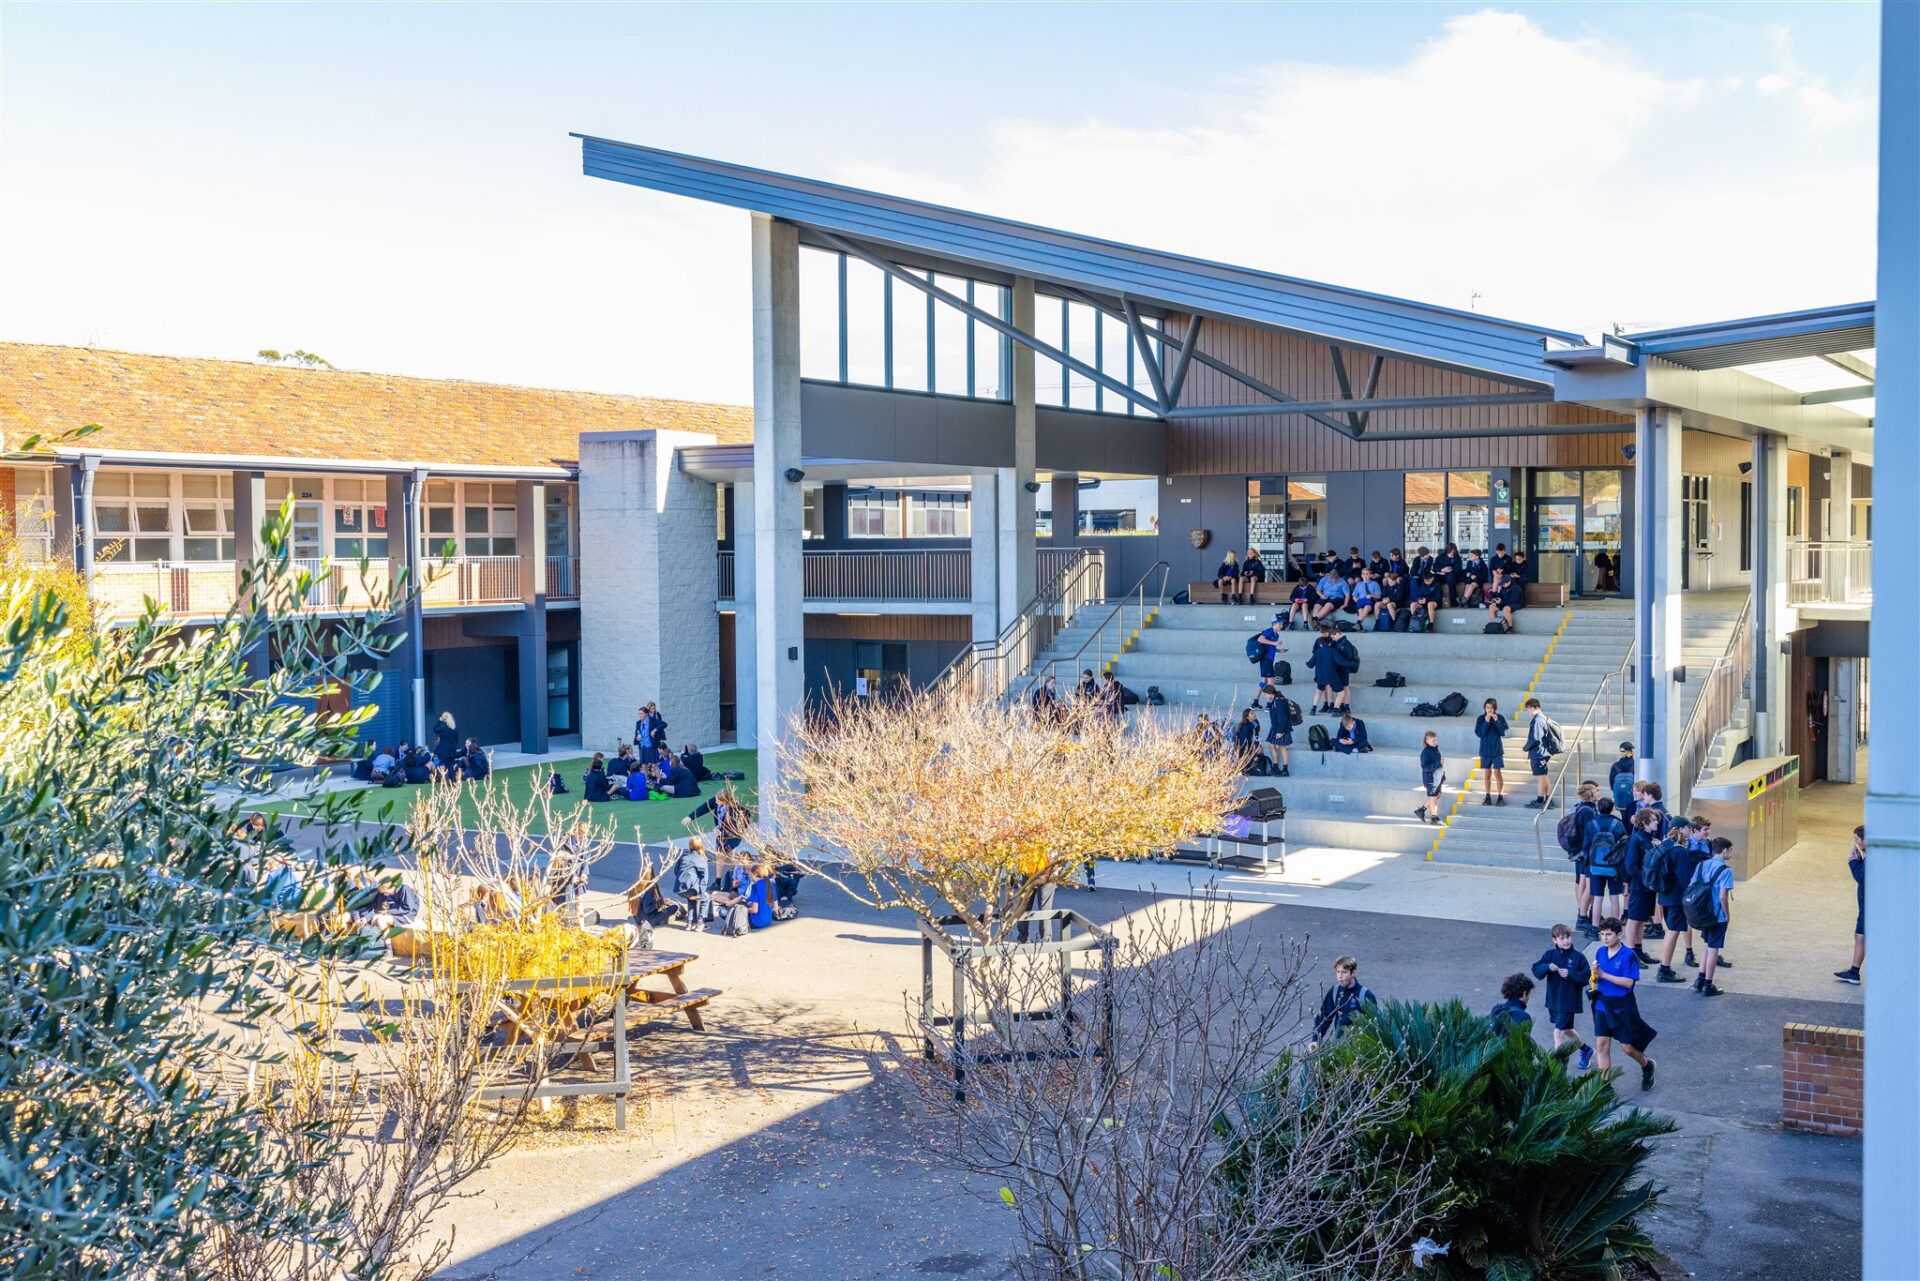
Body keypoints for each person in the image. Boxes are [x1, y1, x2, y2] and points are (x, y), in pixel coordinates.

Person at [1590, 917, 1657, 1090]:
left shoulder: (1628, 955)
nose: (1605, 938)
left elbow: (1629, 983)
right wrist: (1595, 975)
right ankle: (1605, 1087)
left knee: (1627, 1048)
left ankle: (1647, 1065)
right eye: (1602, 934)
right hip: (1602, 1004)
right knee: (1601, 1044)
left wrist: (1604, 975)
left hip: (1622, 1006)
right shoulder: (1600, 952)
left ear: (1619, 935)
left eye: (1609, 934)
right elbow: (1598, 978)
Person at [1532, 923, 1594, 1070]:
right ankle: (1586, 1050)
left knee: (1558, 1031)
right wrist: (1548, 967)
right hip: (1553, 1000)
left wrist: (1571, 974)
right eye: (1562, 938)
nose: (1566, 941)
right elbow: (1536, 969)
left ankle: (1557, 1063)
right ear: (1554, 940)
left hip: (1569, 1001)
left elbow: (1587, 977)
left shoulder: (1578, 957)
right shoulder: (1550, 955)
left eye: (1568, 937)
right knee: (1566, 1029)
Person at [1651, 821, 1699, 983]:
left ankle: (1665, 968)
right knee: (1672, 932)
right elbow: (1685, 879)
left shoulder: (1664, 845)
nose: (1690, 831)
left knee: (1670, 930)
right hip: (1676, 898)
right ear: (1681, 829)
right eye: (1688, 828)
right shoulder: (1680, 851)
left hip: (1664, 895)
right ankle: (1664, 969)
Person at [1688, 836, 1735, 996]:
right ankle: (1708, 984)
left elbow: (1691, 885)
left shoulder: (1702, 865)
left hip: (1703, 913)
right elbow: (1723, 896)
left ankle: (1699, 980)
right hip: (1717, 915)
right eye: (1730, 850)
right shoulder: (1726, 871)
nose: (1731, 853)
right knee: (1714, 949)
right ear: (1724, 850)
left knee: (1707, 946)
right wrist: (1727, 914)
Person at [1583, 797, 1629, 933]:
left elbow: (1586, 846)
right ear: (1612, 808)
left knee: (1598, 898)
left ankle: (1594, 928)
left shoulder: (1591, 824)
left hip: (1595, 866)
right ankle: (1615, 929)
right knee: (1614, 897)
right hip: (1614, 866)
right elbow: (1623, 846)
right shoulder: (1618, 824)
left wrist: (1588, 862)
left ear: (1598, 808)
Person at [1622, 808, 1663, 962]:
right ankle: (1631, 953)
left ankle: (1638, 950)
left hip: (1648, 886)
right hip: (1640, 886)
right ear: (1645, 822)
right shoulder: (1636, 839)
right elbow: (1630, 865)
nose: (1657, 822)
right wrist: (1645, 879)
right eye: (1654, 820)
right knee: (1634, 918)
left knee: (1641, 918)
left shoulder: (1650, 839)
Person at [1311, 956, 1377, 1046]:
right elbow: (1324, 1017)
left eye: (1344, 972)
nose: (1340, 976)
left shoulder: (1365, 995)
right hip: (1338, 1045)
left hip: (1358, 1046)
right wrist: (1315, 1040)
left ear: (1353, 973)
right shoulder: (1335, 991)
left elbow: (1373, 1026)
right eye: (1338, 972)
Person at [1836, 824, 1866, 983]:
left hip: (1870, 905)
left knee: (1861, 936)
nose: (1855, 842)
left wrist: (1853, 861)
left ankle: (1854, 972)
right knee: (1859, 935)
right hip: (1867, 904)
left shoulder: (1873, 857)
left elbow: (1862, 878)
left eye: (1857, 839)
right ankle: (1854, 971)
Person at [1522, 698, 1560, 808]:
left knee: (1541, 777)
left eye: (1529, 708)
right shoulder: (1542, 718)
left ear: (1535, 708)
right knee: (1543, 776)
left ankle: (1540, 800)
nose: (1528, 711)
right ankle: (1548, 799)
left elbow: (1535, 738)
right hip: (1542, 752)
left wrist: (1525, 748)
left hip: (1538, 753)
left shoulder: (1538, 720)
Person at [669, 836, 712, 930]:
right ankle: (700, 922)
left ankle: (690, 922)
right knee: (706, 897)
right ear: (701, 846)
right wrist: (701, 891)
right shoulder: (701, 859)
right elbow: (704, 878)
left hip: (679, 889)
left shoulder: (684, 857)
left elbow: (676, 870)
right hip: (691, 889)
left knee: (691, 898)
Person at [1475, 699, 1509, 805]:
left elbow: (1503, 732)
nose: (1489, 710)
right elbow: (1480, 734)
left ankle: (1500, 796)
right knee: (1487, 774)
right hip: (1485, 751)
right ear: (1484, 708)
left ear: (1495, 708)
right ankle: (1488, 796)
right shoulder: (1480, 719)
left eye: (1491, 707)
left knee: (1497, 772)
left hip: (1497, 750)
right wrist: (1486, 721)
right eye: (1487, 707)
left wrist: (1496, 721)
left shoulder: (1500, 717)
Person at [1259, 680, 1292, 777]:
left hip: (1281, 728)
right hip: (1276, 727)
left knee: (1282, 747)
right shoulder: (1274, 701)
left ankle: (1285, 770)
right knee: (1271, 745)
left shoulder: (1278, 701)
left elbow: (1283, 717)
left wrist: (1280, 731)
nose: (1265, 696)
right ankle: (1275, 768)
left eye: (1265, 694)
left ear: (1270, 693)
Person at [1416, 730, 1444, 823]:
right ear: (1427, 741)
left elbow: (1438, 765)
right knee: (1433, 797)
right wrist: (1438, 763)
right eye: (1433, 740)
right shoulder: (1425, 752)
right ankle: (1434, 817)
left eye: (1436, 740)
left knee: (1437, 795)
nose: (1435, 742)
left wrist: (1442, 775)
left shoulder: (1435, 749)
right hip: (1430, 779)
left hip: (1438, 777)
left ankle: (1421, 810)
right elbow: (1425, 767)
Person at [1254, 614, 1286, 680]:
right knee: (1270, 681)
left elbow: (1269, 646)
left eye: (1282, 624)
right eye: (1280, 624)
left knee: (1264, 681)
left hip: (1270, 658)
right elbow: (1260, 639)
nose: (1282, 626)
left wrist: (1278, 650)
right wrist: (1274, 643)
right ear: (1274, 624)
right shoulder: (1269, 631)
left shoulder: (1276, 635)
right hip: (1266, 658)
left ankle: (1260, 687)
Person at [1433, 543, 1462, 607]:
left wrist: (1450, 570)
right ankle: (1436, 601)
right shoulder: (1441, 556)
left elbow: (1458, 569)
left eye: (1453, 551)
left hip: (1452, 575)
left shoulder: (1457, 557)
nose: (1452, 553)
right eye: (1450, 552)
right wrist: (1442, 569)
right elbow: (1434, 568)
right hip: (1441, 574)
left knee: (1450, 578)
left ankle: (1453, 601)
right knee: (1434, 579)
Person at [1609, 743, 1636, 812]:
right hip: (1632, 796)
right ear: (1630, 752)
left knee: (1623, 814)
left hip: (1620, 796)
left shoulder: (1615, 766)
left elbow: (1612, 784)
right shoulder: (1635, 764)